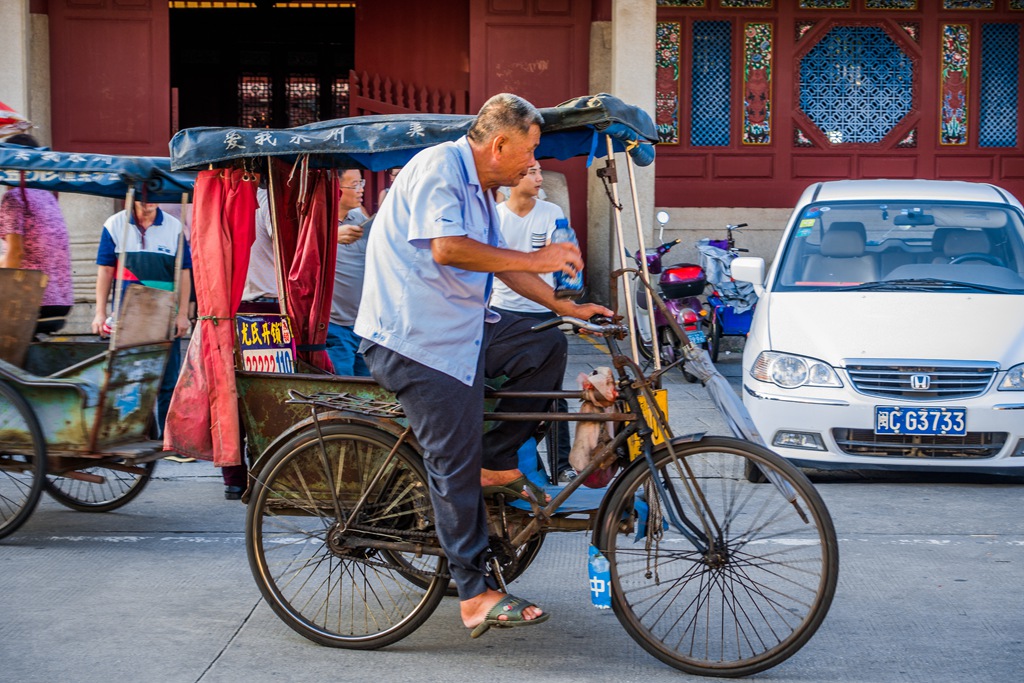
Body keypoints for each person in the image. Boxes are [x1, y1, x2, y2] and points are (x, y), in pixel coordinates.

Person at [355, 93, 611, 637]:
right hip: (414, 341)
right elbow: (448, 250)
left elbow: (503, 269)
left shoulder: (483, 191)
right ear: (499, 144)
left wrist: (568, 308)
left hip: (462, 332)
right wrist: (538, 257)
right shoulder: (438, 169)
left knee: (544, 344)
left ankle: (493, 459)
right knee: (451, 460)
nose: (533, 164)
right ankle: (472, 592)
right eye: (530, 150)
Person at [490, 162, 574, 483]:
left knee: (554, 396)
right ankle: (508, 458)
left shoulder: (552, 213)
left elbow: (564, 259)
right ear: (514, 178)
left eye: (539, 172)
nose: (540, 179)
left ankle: (562, 465)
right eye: (532, 172)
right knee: (511, 393)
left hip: (542, 311)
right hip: (502, 313)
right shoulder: (495, 216)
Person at [92, 198, 192, 455]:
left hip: (164, 314)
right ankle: (135, 434)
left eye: (153, 197)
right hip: (127, 317)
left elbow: (183, 273)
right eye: (142, 197)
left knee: (167, 381)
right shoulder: (114, 224)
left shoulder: (174, 227)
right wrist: (100, 312)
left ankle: (170, 441)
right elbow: (104, 270)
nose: (148, 202)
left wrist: (182, 314)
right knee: (128, 378)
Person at [0, 133, 73, 335]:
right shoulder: (46, 197)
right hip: (61, 303)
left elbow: (16, 255)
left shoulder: (14, 199)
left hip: (33, 302)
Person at [325, 169, 372, 376]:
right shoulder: (318, 221)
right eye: (354, 185)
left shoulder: (359, 217)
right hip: (334, 324)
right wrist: (331, 236)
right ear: (336, 188)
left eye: (361, 183)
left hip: (363, 324)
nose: (361, 189)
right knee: (342, 393)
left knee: (369, 393)